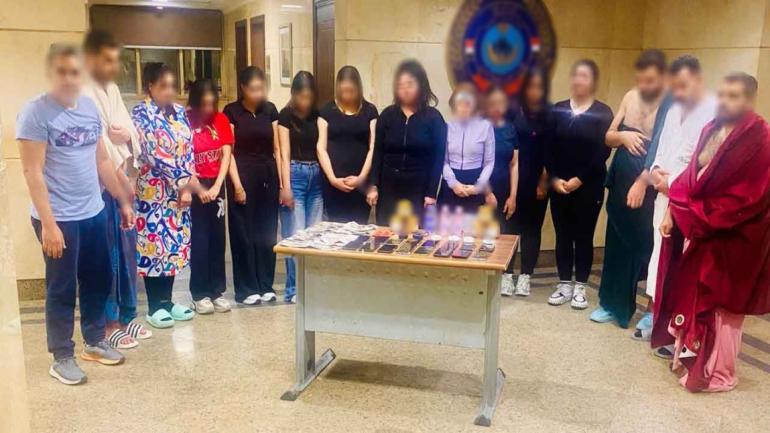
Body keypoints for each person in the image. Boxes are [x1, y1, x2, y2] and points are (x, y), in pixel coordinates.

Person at [17, 44, 135, 385]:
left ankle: (94, 341)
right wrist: (49, 224)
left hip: (93, 212)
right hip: (59, 218)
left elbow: (102, 160)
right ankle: (61, 356)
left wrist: (122, 200)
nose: (69, 79)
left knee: (98, 279)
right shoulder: (35, 113)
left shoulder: (88, 107)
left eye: (75, 72)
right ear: (50, 73)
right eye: (62, 72)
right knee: (62, 287)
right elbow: (32, 172)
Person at [652, 73, 770, 392]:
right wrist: (674, 208)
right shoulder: (711, 128)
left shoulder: (761, 138)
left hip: (735, 239)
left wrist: (692, 211)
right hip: (702, 230)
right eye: (723, 94)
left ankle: (720, 374)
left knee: (723, 309)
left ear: (749, 100)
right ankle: (690, 360)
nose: (726, 102)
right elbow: (692, 177)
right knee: (692, 296)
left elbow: (749, 198)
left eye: (734, 96)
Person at [81, 30, 151, 349]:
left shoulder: (110, 88)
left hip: (122, 181)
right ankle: (108, 324)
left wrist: (127, 135)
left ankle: (126, 316)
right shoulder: (83, 91)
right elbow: (101, 144)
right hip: (99, 186)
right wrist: (122, 184)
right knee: (105, 256)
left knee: (126, 253)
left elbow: (128, 132)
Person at [644, 56, 716, 356]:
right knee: (660, 262)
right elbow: (661, 151)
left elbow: (705, 164)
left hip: (691, 202)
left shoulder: (713, 112)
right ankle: (660, 324)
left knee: (683, 269)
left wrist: (672, 183)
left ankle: (682, 335)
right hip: (665, 195)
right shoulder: (673, 110)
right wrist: (656, 174)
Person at [591, 50, 667, 328]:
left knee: (648, 246)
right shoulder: (629, 96)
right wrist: (622, 135)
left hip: (648, 179)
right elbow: (608, 137)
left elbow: (663, 148)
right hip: (621, 177)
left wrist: (642, 181)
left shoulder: (670, 104)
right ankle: (612, 303)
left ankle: (652, 309)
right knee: (617, 243)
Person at [131, 62, 196, 329]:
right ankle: (154, 306)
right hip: (153, 191)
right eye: (163, 86)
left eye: (172, 86)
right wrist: (181, 182)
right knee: (154, 245)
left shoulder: (179, 112)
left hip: (179, 193)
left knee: (173, 246)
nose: (169, 91)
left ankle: (167, 302)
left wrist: (188, 184)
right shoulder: (140, 113)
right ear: (151, 86)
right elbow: (152, 152)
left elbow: (189, 149)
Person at [546, 59, 613, 309]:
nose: (578, 80)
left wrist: (579, 179)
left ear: (593, 81)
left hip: (589, 185)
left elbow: (602, 151)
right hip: (559, 185)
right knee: (562, 235)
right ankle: (564, 283)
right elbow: (548, 147)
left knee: (583, 236)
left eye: (584, 76)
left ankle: (581, 287)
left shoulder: (603, 112)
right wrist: (554, 178)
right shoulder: (558, 109)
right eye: (575, 75)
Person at [223, 67, 281, 305]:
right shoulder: (231, 112)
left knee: (266, 232)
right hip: (242, 176)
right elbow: (229, 152)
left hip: (267, 176)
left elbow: (277, 148)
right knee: (243, 233)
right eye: (254, 89)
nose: (259, 93)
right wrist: (237, 185)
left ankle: (265, 284)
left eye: (262, 88)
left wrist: (282, 183)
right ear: (243, 88)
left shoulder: (270, 109)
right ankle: (246, 289)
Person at [368, 60, 447, 224]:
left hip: (419, 189)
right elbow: (377, 152)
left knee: (415, 236)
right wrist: (373, 185)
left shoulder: (434, 118)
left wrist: (431, 193)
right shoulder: (387, 115)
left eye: (410, 84)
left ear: (421, 85)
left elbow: (438, 158)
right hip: (389, 187)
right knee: (387, 234)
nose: (405, 89)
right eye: (400, 85)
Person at [187, 79, 233, 314]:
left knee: (217, 240)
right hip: (195, 185)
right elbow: (183, 157)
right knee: (200, 240)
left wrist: (217, 186)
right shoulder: (186, 120)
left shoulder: (220, 119)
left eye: (211, 104)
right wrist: (199, 189)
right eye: (203, 104)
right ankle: (199, 293)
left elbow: (226, 154)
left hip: (216, 185)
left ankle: (216, 291)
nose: (207, 109)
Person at [279, 71, 322, 303]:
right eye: (301, 96)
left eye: (309, 97)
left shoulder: (318, 115)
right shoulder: (285, 115)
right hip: (294, 173)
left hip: (316, 175)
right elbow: (283, 153)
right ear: (294, 94)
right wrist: (285, 186)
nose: (305, 101)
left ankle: (312, 288)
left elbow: (322, 148)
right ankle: (293, 289)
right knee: (296, 234)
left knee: (314, 235)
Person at [509, 70, 552, 296]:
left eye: (538, 86)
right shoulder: (511, 110)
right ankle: (507, 275)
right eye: (530, 86)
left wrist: (544, 181)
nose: (534, 91)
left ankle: (526, 275)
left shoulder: (549, 113)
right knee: (508, 228)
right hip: (512, 179)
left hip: (538, 179)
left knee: (532, 229)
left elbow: (551, 150)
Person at [317, 66, 378, 224]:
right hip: (334, 183)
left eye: (351, 91)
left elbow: (373, 147)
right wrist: (332, 178)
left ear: (358, 88)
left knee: (359, 230)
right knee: (335, 230)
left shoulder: (370, 110)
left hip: (360, 184)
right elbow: (321, 147)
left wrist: (361, 178)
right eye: (343, 91)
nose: (347, 95)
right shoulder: (327, 110)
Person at [482, 86, 518, 295]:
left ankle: (505, 276)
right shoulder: (478, 126)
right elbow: (474, 162)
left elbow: (514, 164)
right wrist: (487, 192)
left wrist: (513, 195)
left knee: (504, 232)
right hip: (481, 189)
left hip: (504, 189)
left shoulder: (510, 128)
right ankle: (481, 275)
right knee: (482, 232)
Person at [440, 82, 495, 212]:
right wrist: (453, 183)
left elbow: (489, 162)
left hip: (475, 181)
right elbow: (442, 160)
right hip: (451, 183)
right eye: (460, 103)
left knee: (474, 224)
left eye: (468, 103)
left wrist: (478, 187)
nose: (463, 108)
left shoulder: (485, 126)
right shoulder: (446, 127)